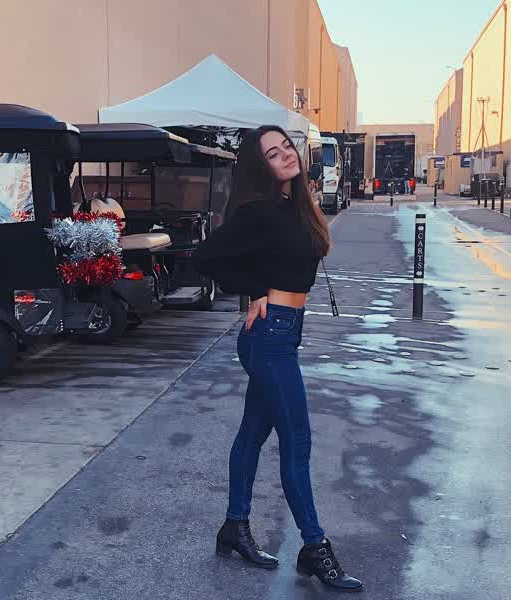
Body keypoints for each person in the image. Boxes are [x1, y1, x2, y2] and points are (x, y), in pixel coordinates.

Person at [192, 125, 362, 592]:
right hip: (268, 336)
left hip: (284, 333)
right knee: (297, 440)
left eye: (287, 146)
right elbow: (206, 258)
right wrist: (254, 290)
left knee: (253, 432)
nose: (286, 154)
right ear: (259, 165)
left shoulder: (293, 205)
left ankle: (234, 526)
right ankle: (314, 547)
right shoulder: (259, 211)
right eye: (273, 153)